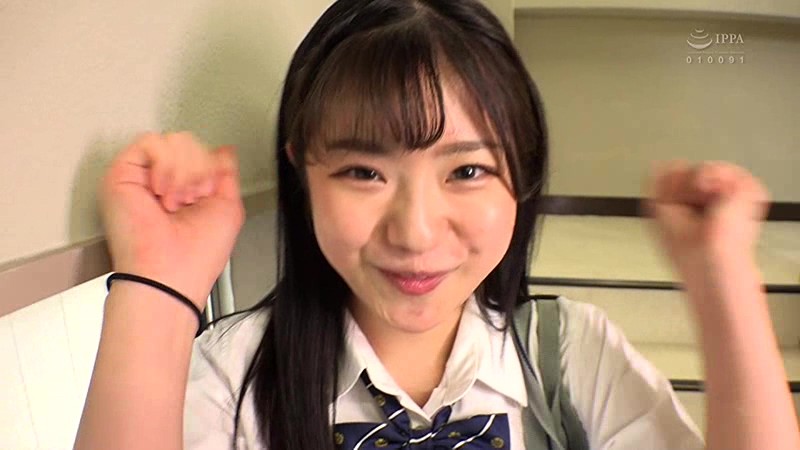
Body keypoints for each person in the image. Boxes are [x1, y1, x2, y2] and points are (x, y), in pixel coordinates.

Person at [74, 0, 800, 449]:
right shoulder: (233, 374)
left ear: (522, 176)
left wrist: (721, 276)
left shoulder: (570, 356)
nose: (416, 232)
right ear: (302, 174)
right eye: (364, 172)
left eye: (468, 171)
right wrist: (159, 285)